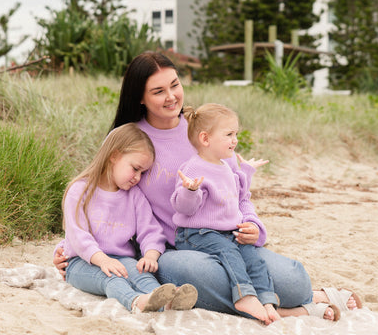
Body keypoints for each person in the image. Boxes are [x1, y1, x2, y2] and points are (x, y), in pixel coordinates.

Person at [54, 51, 362, 321]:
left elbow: (239, 193)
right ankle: (289, 309)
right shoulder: (131, 141)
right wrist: (72, 249)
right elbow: (101, 197)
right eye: (158, 91)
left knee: (294, 279)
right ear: (140, 97)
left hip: (227, 240)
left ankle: (301, 299)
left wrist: (253, 224)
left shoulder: (203, 129)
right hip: (175, 251)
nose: (171, 96)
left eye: (175, 84)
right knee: (191, 274)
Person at [57, 123, 198, 313]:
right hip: (82, 263)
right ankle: (136, 301)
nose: (137, 178)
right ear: (114, 156)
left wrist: (150, 255)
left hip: (122, 258)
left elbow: (150, 231)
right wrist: (103, 260)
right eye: (135, 168)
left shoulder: (134, 196)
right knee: (112, 278)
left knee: (141, 273)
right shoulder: (80, 190)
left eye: (142, 173)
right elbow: (77, 235)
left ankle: (165, 301)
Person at [171, 103, 280, 325]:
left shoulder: (225, 166)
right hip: (196, 233)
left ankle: (266, 300)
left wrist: (246, 171)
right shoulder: (193, 168)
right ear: (205, 139)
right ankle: (245, 296)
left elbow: (239, 194)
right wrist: (189, 190)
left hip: (226, 231)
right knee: (230, 252)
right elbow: (185, 208)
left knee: (251, 256)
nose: (235, 140)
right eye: (229, 134)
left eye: (235, 134)